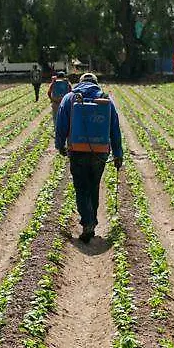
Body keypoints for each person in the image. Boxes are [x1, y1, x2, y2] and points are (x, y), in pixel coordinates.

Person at [54, 73, 123, 243]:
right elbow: (114, 128)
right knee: (93, 185)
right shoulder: (106, 100)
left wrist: (59, 145)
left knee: (81, 187)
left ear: (80, 83)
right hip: (100, 151)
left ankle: (87, 222)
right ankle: (92, 220)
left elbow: (61, 123)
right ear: (96, 84)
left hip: (77, 150)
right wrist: (118, 154)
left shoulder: (69, 98)